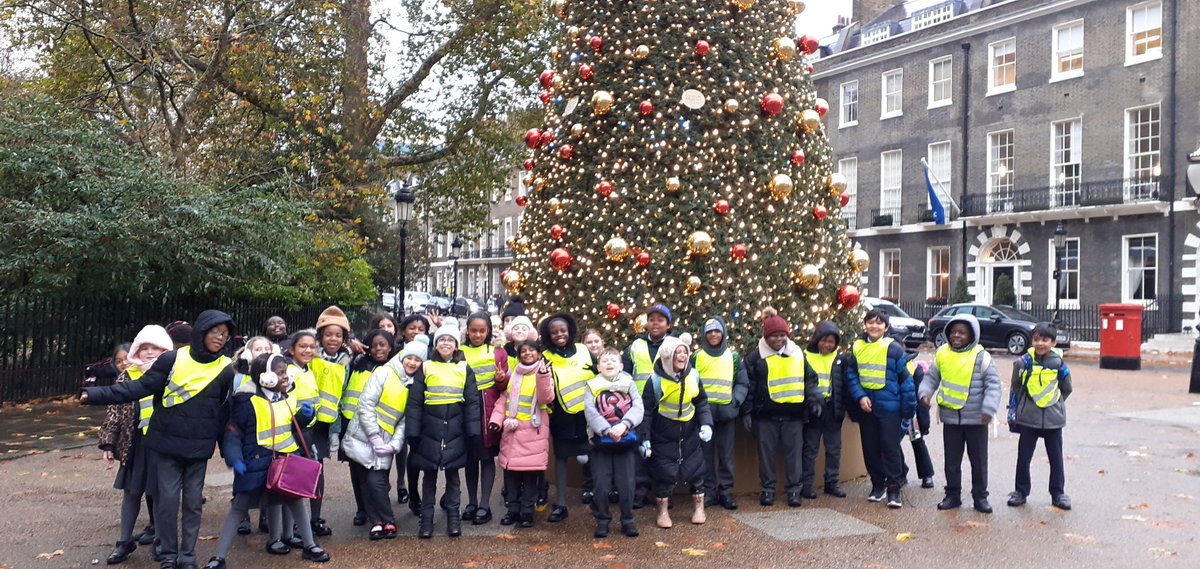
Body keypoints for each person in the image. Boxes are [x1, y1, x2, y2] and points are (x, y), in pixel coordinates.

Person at [82, 310, 237, 569]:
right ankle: (168, 556)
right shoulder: (172, 360)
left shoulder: (224, 369)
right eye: (215, 331)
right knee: (166, 502)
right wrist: (95, 394)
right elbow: (137, 388)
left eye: (225, 334)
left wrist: (228, 448)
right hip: (165, 445)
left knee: (192, 504)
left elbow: (223, 412)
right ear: (201, 331)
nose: (220, 338)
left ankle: (188, 557)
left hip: (199, 448)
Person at [206, 353, 328, 569]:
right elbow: (234, 432)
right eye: (280, 373)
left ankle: (309, 545)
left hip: (286, 459)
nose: (285, 378)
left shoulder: (286, 396)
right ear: (265, 377)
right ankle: (219, 557)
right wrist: (234, 458)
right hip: (257, 461)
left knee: (295, 501)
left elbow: (287, 425)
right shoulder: (247, 401)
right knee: (240, 506)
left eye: (285, 373)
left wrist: (303, 417)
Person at [99, 326, 172, 564]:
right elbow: (114, 412)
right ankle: (124, 541)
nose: (150, 353)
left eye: (156, 348)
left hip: (163, 443)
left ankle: (162, 540)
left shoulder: (173, 375)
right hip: (136, 443)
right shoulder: (127, 376)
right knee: (131, 493)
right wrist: (108, 443)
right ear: (136, 353)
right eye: (144, 349)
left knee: (161, 495)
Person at [404, 320, 482, 538]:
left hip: (455, 428)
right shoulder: (426, 367)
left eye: (450, 340)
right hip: (430, 427)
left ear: (456, 345)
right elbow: (415, 402)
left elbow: (472, 402)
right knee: (429, 476)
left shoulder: (464, 368)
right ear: (435, 344)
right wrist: (413, 431)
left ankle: (453, 518)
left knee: (453, 476)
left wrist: (472, 430)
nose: (446, 343)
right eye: (442, 340)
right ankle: (426, 520)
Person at [918, 313, 1001, 513]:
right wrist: (925, 393)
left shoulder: (982, 357)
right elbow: (931, 378)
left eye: (962, 332)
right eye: (953, 332)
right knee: (952, 462)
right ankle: (952, 495)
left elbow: (993, 386)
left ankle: (980, 497)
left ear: (972, 335)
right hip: (951, 418)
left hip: (977, 419)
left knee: (978, 462)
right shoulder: (943, 354)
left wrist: (989, 408)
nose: (956, 335)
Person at [345, 335, 425, 541]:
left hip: (386, 440)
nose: (412, 363)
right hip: (363, 435)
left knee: (376, 480)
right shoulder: (383, 373)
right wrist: (373, 436)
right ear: (402, 357)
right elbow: (366, 404)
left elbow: (405, 420)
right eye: (410, 358)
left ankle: (388, 520)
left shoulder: (415, 385)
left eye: (418, 360)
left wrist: (394, 445)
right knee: (364, 479)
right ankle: (376, 522)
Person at [741, 309, 821, 508]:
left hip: (793, 416)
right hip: (765, 416)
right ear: (766, 337)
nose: (779, 339)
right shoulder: (754, 358)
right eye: (774, 336)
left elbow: (809, 379)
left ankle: (794, 490)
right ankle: (767, 490)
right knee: (766, 456)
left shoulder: (798, 354)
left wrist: (814, 398)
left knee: (794, 457)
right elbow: (749, 386)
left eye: (782, 335)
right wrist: (747, 412)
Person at [846, 308, 915, 509]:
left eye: (878, 323)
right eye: (870, 322)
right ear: (865, 325)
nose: (873, 326)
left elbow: (906, 382)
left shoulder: (894, 349)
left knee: (890, 449)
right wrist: (860, 397)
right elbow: (852, 376)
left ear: (885, 327)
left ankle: (894, 489)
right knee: (870, 449)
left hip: (890, 409)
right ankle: (878, 485)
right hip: (867, 407)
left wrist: (908, 411)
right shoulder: (857, 347)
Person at [641, 336, 713, 528]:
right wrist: (645, 438)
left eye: (684, 352)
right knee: (664, 473)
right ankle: (663, 512)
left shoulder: (694, 376)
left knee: (696, 470)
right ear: (667, 357)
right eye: (677, 353)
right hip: (663, 431)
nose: (682, 356)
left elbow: (702, 402)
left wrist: (706, 424)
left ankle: (699, 508)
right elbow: (647, 411)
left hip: (689, 431)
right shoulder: (655, 381)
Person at [489, 339, 555, 529]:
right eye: (523, 351)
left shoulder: (543, 373)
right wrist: (496, 421)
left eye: (531, 350)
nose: (527, 353)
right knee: (511, 478)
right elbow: (504, 399)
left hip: (532, 434)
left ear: (539, 354)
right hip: (512, 433)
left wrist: (543, 377)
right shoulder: (514, 374)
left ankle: (527, 512)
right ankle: (513, 510)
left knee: (530, 477)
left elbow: (546, 398)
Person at [1007, 322, 1072, 511]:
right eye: (1036, 339)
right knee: (1024, 457)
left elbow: (1066, 388)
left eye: (1045, 340)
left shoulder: (1059, 364)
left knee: (1056, 458)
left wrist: (1056, 404)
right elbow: (1016, 387)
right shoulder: (1023, 362)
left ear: (1053, 342)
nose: (1040, 343)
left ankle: (1058, 493)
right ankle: (1020, 492)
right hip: (1029, 419)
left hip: (1053, 420)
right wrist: (1023, 407)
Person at [540, 313, 597, 521]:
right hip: (562, 415)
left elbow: (597, 373)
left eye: (562, 330)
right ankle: (561, 504)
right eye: (554, 332)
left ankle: (596, 499)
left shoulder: (583, 350)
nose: (559, 334)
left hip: (588, 413)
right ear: (548, 335)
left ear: (570, 330)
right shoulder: (545, 356)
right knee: (562, 458)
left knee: (593, 454)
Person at [338, 330, 396, 529]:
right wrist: (350, 343)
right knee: (357, 471)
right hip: (353, 424)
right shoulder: (357, 364)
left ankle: (379, 508)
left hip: (379, 428)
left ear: (390, 347)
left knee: (378, 472)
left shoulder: (393, 369)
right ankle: (362, 509)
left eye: (383, 345)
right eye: (374, 345)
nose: (379, 348)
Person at [584, 348, 644, 538]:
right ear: (598, 366)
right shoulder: (592, 384)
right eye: (605, 361)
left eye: (613, 360)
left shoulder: (629, 383)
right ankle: (602, 519)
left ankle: (627, 519)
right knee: (601, 483)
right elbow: (590, 411)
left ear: (621, 366)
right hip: (602, 441)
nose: (609, 363)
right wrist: (607, 430)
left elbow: (637, 406)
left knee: (626, 483)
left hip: (624, 439)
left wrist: (625, 425)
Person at [691, 316, 748, 510]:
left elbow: (742, 382)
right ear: (704, 335)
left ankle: (725, 492)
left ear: (723, 333)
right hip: (703, 416)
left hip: (726, 415)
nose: (714, 334)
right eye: (709, 331)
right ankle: (708, 492)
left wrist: (736, 401)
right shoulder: (697, 357)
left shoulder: (733, 357)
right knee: (705, 456)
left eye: (717, 331)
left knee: (726, 455)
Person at [307, 306, 354, 536]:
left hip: (325, 425)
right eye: (328, 334)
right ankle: (288, 520)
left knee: (317, 470)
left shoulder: (347, 360)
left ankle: (315, 517)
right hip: (303, 421)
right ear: (320, 336)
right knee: (295, 468)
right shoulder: (307, 354)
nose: (333, 339)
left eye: (338, 335)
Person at [622, 304, 673, 507]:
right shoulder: (635, 347)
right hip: (639, 407)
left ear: (668, 325)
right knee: (640, 449)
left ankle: (663, 493)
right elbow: (624, 374)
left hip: (666, 404)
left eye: (660, 320)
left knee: (662, 450)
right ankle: (640, 492)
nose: (655, 323)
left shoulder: (675, 344)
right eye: (651, 319)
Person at [461, 312, 508, 525]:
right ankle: (471, 502)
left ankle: (485, 504)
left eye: (482, 331)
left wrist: (501, 380)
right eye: (474, 331)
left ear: (488, 331)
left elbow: (505, 386)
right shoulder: (459, 352)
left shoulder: (498, 353)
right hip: (466, 410)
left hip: (488, 410)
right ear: (467, 331)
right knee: (470, 458)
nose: (477, 335)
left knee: (486, 457)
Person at [801, 321, 850, 500]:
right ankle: (806, 484)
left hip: (832, 408)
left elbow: (844, 385)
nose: (827, 345)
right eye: (824, 340)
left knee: (834, 448)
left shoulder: (840, 359)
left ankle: (831, 482)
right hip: (813, 408)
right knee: (810, 448)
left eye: (831, 341)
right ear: (816, 339)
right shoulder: (805, 356)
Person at [394, 313, 431, 507]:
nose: (416, 332)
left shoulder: (431, 353)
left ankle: (418, 493)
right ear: (404, 330)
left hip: (423, 410)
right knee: (405, 450)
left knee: (419, 452)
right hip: (399, 407)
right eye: (412, 328)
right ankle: (406, 487)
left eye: (421, 329)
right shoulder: (395, 350)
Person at [905, 360, 936, 490]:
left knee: (917, 440)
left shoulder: (915, 370)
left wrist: (923, 421)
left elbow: (921, 397)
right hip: (893, 409)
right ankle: (900, 471)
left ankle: (926, 474)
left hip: (912, 412)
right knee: (891, 443)